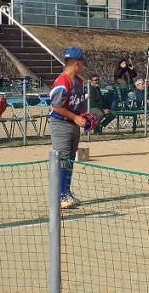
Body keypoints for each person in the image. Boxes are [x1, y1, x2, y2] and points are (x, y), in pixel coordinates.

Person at [50, 47, 87, 209]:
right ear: (77, 63)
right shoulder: (63, 82)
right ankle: (60, 194)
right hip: (61, 124)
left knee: (70, 159)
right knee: (63, 159)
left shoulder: (79, 82)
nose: (83, 66)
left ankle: (66, 191)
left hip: (72, 123)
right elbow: (57, 107)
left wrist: (84, 117)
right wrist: (75, 117)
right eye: (82, 63)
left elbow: (78, 105)